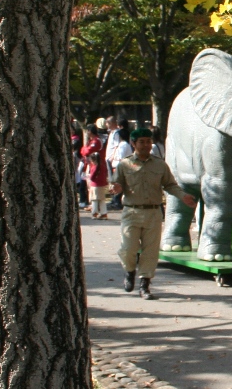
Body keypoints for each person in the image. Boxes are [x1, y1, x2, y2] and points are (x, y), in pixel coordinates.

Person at [112, 128, 197, 300]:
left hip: (153, 213)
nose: (146, 145)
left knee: (150, 251)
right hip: (131, 212)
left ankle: (145, 286)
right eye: (142, 142)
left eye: (148, 141)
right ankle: (129, 271)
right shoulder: (124, 164)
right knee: (128, 249)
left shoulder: (160, 165)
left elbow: (170, 185)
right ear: (133, 143)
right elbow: (116, 183)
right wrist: (116, 188)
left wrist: (183, 196)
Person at [81, 126, 111, 219]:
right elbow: (83, 150)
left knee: (95, 194)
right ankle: (101, 212)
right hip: (91, 166)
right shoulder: (91, 141)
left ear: (90, 131)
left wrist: (85, 149)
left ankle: (95, 212)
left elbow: (87, 151)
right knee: (97, 194)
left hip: (96, 171)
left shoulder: (97, 141)